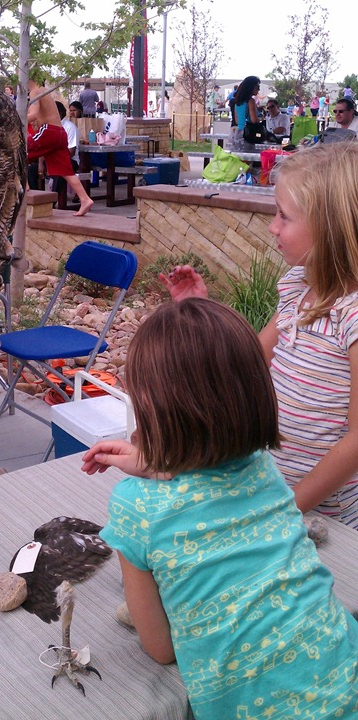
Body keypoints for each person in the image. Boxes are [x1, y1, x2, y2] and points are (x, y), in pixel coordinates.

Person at [82, 298, 358, 719]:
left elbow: (161, 648)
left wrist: (156, 468)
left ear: (151, 410)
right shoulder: (263, 468)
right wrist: (159, 463)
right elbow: (214, 475)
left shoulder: (135, 508)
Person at [158, 142, 358, 528]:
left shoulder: (351, 317)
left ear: (332, 228)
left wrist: (286, 509)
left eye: (284, 216)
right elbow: (247, 359)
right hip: (272, 491)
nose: (272, 226)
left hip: (322, 516)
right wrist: (204, 310)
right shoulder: (299, 288)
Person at [27, 79, 93, 216]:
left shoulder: (35, 92)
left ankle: (24, 186)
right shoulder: (44, 91)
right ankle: (85, 199)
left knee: (17, 152)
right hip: (59, 132)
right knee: (66, 171)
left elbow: (33, 115)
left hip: (49, 131)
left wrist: (13, 119)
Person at [229, 75, 261, 151]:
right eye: (257, 87)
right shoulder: (251, 101)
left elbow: (237, 120)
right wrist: (260, 118)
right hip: (248, 133)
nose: (259, 89)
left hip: (238, 133)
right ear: (251, 87)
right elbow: (254, 120)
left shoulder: (237, 101)